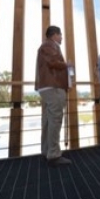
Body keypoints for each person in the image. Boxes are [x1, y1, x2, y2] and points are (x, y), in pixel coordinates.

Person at [34, 25, 72, 166]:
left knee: (48, 120)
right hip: (53, 86)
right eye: (60, 34)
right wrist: (66, 65)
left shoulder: (46, 46)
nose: (62, 37)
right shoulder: (49, 45)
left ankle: (47, 151)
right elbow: (52, 62)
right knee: (55, 119)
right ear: (54, 35)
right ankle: (54, 155)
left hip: (48, 86)